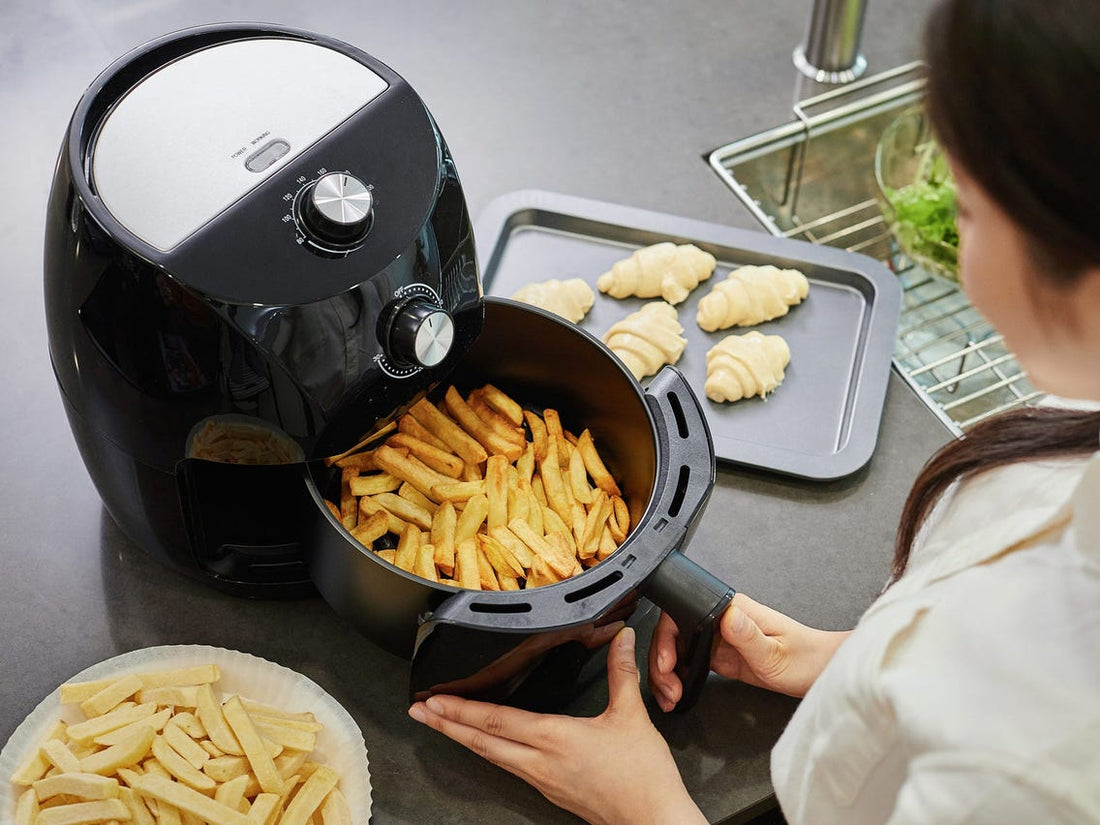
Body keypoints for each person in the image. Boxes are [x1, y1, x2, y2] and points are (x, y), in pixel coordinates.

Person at [408, 0, 1100, 821]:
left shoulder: (1034, 776)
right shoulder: (1075, 417)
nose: (945, 227)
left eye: (970, 208)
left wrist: (647, 808)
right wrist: (839, 660)